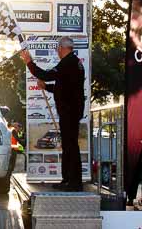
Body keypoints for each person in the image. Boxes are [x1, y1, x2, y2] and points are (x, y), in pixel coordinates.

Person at [21, 36, 85, 192]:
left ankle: (74, 182)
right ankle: (68, 180)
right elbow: (64, 88)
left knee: (70, 146)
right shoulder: (74, 63)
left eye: (58, 48)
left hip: (70, 111)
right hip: (72, 110)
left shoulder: (67, 63)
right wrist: (46, 87)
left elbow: (46, 74)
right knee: (69, 146)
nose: (57, 51)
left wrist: (29, 62)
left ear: (63, 48)